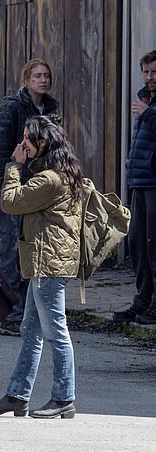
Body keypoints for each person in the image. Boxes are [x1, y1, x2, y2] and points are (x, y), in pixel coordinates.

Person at [0, 115, 83, 419]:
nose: (22, 143)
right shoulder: (58, 172)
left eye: (28, 138)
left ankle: (64, 397)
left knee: (56, 332)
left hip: (48, 264)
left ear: (43, 143)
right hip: (46, 262)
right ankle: (17, 395)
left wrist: (14, 166)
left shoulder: (51, 179)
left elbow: (11, 201)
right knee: (32, 331)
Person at [0, 58, 59, 336]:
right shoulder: (12, 107)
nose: (43, 80)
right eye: (38, 76)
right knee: (9, 251)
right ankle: (10, 315)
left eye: (46, 75)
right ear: (27, 79)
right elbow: (2, 149)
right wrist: (8, 184)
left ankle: (26, 312)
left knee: (31, 251)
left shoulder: (51, 108)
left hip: (39, 189)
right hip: (9, 187)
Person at [113, 50, 156, 325]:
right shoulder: (145, 100)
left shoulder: (148, 107)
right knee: (138, 244)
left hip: (154, 183)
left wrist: (149, 114)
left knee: (154, 246)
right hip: (139, 181)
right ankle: (142, 302)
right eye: (147, 72)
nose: (150, 78)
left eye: (154, 72)